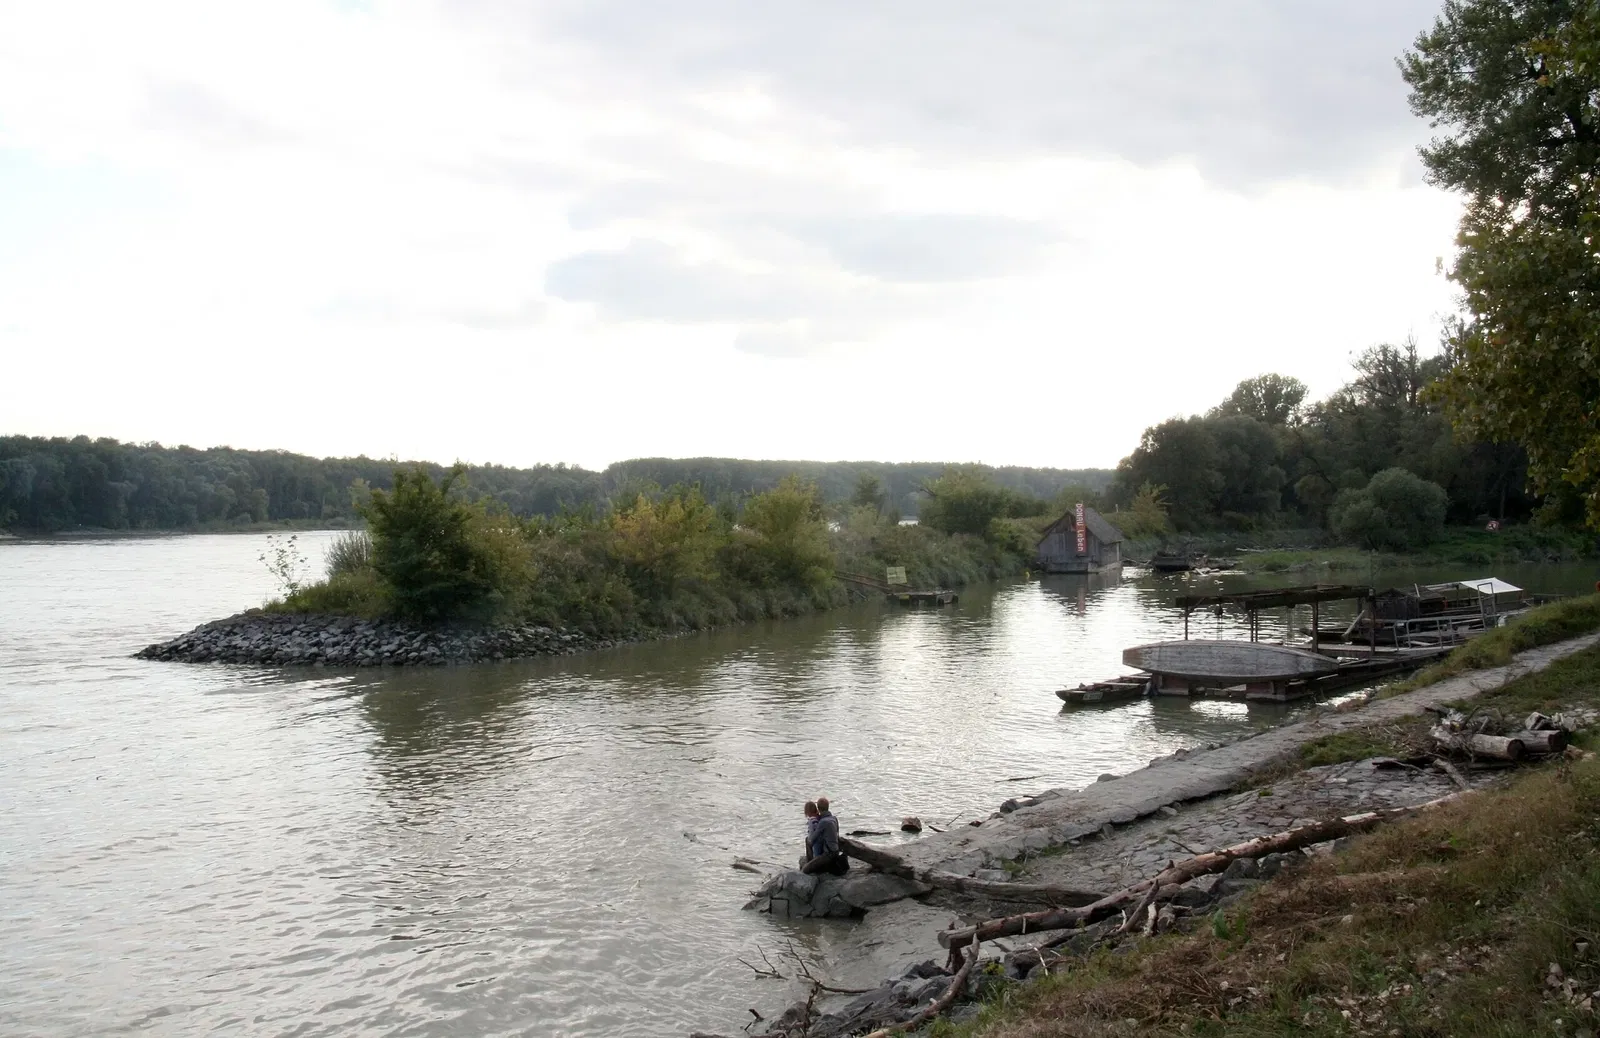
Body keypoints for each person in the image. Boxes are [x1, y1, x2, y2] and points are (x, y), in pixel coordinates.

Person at [801, 795, 849, 876]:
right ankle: (814, 863)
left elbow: (812, 840)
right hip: (836, 851)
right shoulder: (834, 818)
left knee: (805, 870)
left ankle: (811, 863)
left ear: (818, 809)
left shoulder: (823, 822)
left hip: (828, 855)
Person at [799, 801, 821, 869]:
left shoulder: (811, 820)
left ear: (807, 811)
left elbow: (812, 833)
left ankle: (810, 861)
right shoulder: (818, 818)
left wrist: (809, 839)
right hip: (821, 840)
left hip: (816, 842)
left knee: (808, 841)